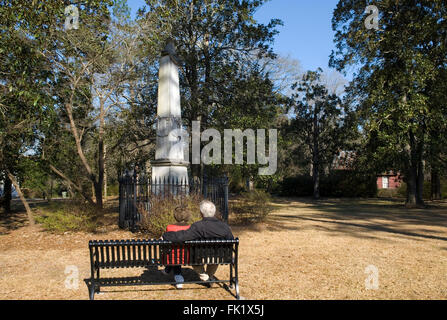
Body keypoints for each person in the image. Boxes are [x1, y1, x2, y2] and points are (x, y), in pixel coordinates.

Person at [161, 200, 234, 283]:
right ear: (213, 212)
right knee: (215, 258)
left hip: (201, 257)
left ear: (201, 213)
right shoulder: (224, 226)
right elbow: (231, 241)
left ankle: (206, 277)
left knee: (194, 260)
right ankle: (209, 277)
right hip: (220, 257)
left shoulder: (198, 226)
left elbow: (182, 236)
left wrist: (166, 236)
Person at [162, 206, 192, 289]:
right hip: (188, 255)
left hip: (173, 256)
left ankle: (177, 277)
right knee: (178, 252)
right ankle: (167, 270)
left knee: (174, 253)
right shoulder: (190, 228)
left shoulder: (169, 227)